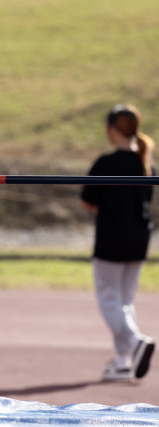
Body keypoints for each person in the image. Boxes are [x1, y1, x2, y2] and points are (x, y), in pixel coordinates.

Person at [81, 104, 155, 382]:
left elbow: (88, 201)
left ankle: (136, 342)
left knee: (109, 301)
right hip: (139, 239)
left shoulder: (106, 163)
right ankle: (123, 362)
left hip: (112, 239)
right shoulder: (145, 161)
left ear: (112, 130)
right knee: (124, 301)